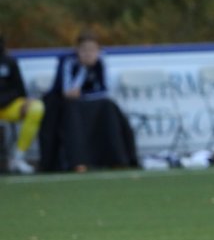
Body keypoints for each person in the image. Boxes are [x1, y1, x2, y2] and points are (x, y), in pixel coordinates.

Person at [38, 30, 138, 172]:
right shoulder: (67, 62)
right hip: (65, 104)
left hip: (91, 102)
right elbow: (68, 92)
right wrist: (83, 69)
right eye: (84, 50)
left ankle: (117, 158)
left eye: (92, 50)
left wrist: (85, 94)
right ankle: (78, 161)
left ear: (98, 50)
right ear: (77, 50)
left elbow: (105, 89)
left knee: (109, 107)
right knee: (72, 112)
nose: (88, 53)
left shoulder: (102, 61)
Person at [0, 35, 43, 174]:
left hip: (8, 106)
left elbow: (20, 89)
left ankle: (18, 157)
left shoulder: (9, 62)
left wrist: (25, 101)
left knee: (36, 108)